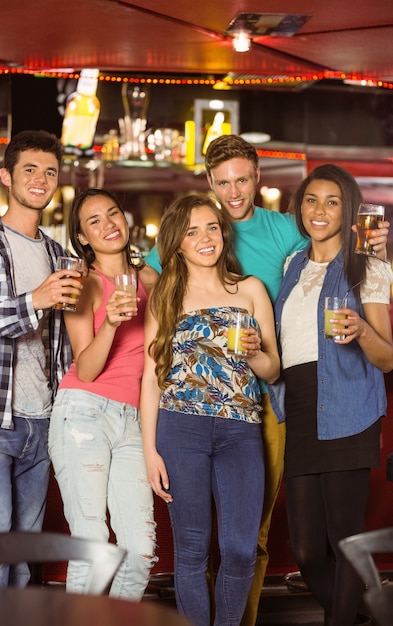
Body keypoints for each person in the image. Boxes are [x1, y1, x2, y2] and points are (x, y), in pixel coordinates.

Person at [145, 134, 389, 625]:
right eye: (223, 182)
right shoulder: (279, 263)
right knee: (273, 545)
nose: (234, 192)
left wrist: (376, 243)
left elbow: (341, 251)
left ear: (258, 177)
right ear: (210, 183)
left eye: (242, 179)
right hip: (274, 405)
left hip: (276, 401)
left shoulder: (291, 239)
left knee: (249, 540)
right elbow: (152, 285)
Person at [140, 193, 280, 626]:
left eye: (212, 227)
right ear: (177, 244)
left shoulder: (251, 288)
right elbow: (150, 378)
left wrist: (256, 353)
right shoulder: (166, 292)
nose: (205, 238)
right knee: (192, 548)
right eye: (192, 231)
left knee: (240, 547)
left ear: (223, 233)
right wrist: (150, 452)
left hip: (241, 428)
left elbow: (272, 371)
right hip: (180, 429)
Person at [269, 164, 393, 626]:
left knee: (345, 540)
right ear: (300, 207)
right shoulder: (292, 264)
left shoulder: (370, 264)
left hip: (349, 406)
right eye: (311, 200)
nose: (319, 210)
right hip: (301, 409)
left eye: (332, 201)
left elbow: (386, 358)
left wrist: (360, 329)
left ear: (349, 209)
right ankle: (370, 611)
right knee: (306, 550)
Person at [0, 129, 79, 588]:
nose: (40, 180)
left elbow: (65, 345)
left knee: (23, 561)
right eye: (30, 170)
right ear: (6, 176)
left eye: (50, 172)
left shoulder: (59, 254)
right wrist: (33, 300)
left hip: (43, 421)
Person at [48, 188, 158, 599]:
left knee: (140, 551)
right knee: (92, 544)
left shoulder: (149, 278)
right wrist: (110, 323)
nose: (108, 224)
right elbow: (88, 369)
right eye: (94, 221)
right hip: (83, 413)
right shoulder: (83, 284)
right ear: (82, 237)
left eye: (112, 214)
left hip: (134, 419)